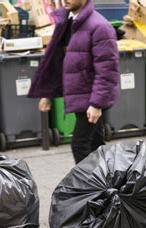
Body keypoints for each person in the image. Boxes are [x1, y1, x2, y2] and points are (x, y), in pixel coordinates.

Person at [29, 0, 120, 164]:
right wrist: (47, 94)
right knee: (96, 145)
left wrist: (97, 104)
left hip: (90, 98)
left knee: (79, 145)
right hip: (82, 94)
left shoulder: (100, 26)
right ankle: (107, 183)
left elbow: (107, 70)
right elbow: (58, 62)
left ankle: (87, 187)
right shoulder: (67, 22)